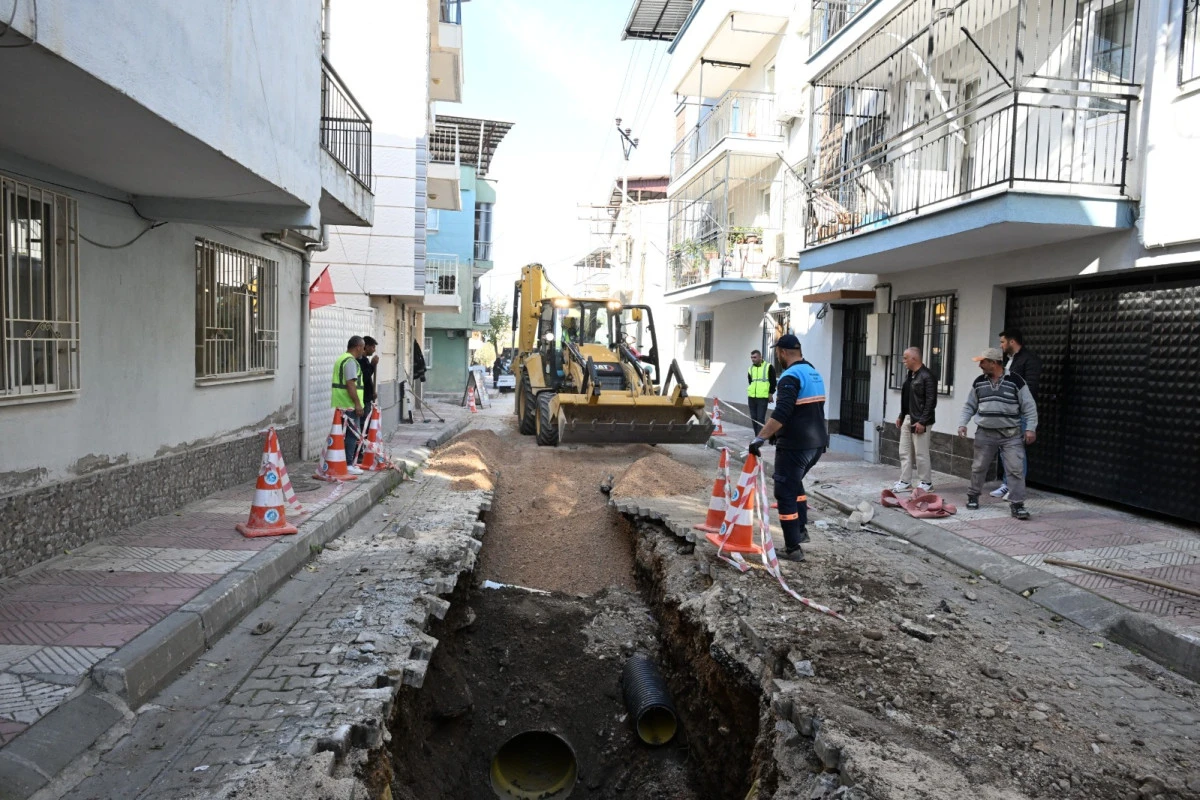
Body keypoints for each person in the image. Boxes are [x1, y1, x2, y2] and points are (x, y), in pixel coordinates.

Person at [748, 334, 829, 562]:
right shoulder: (813, 371)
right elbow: (806, 410)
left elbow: (781, 414)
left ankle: (792, 547)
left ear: (782, 352)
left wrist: (760, 438)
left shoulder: (789, 377)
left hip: (796, 445)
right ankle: (801, 530)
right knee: (795, 484)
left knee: (784, 491)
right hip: (816, 444)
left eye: (777, 353)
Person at [958, 347, 1038, 519]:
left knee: (1015, 469)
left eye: (983, 362)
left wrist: (1030, 428)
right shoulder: (979, 382)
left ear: (994, 363)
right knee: (979, 466)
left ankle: (1017, 505)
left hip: (1011, 434)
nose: (980, 365)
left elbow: (1029, 407)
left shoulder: (1016, 381)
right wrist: (962, 423)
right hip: (985, 433)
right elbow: (969, 405)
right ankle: (973, 496)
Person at [991, 329, 1042, 500]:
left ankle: (1016, 488)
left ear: (1012, 342)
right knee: (1005, 449)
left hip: (1019, 413)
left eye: (1003, 342)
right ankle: (1006, 484)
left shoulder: (1030, 360)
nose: (1001, 345)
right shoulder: (1008, 360)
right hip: (1004, 413)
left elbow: (1031, 389)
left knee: (1016, 451)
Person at [893, 347, 937, 493]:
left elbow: (931, 401)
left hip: (920, 420)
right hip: (908, 418)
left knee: (921, 453)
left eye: (905, 358)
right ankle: (905, 481)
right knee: (904, 451)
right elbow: (907, 398)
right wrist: (901, 415)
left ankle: (926, 482)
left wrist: (923, 422)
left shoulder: (927, 376)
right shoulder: (911, 375)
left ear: (914, 359)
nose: (903, 361)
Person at [331, 336, 366, 475]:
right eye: (363, 347)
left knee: (346, 435)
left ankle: (345, 462)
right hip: (349, 405)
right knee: (352, 435)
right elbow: (350, 384)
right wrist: (358, 404)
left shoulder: (342, 359)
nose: (363, 350)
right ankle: (348, 464)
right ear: (358, 347)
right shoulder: (350, 362)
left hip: (342, 403)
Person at [357, 336, 380, 456]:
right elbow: (364, 378)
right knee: (362, 426)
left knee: (366, 425)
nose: (374, 350)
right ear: (365, 347)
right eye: (372, 347)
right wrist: (372, 365)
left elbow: (368, 381)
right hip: (362, 400)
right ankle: (358, 453)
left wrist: (372, 393)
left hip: (367, 398)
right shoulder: (361, 361)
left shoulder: (365, 360)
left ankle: (363, 450)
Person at [746, 349, 777, 436]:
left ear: (760, 357)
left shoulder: (768, 367)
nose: (753, 359)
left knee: (760, 418)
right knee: (754, 418)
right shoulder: (750, 368)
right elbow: (750, 381)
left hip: (762, 397)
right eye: (751, 357)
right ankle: (757, 435)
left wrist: (770, 394)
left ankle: (760, 437)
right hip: (752, 397)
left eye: (755, 357)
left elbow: (773, 382)